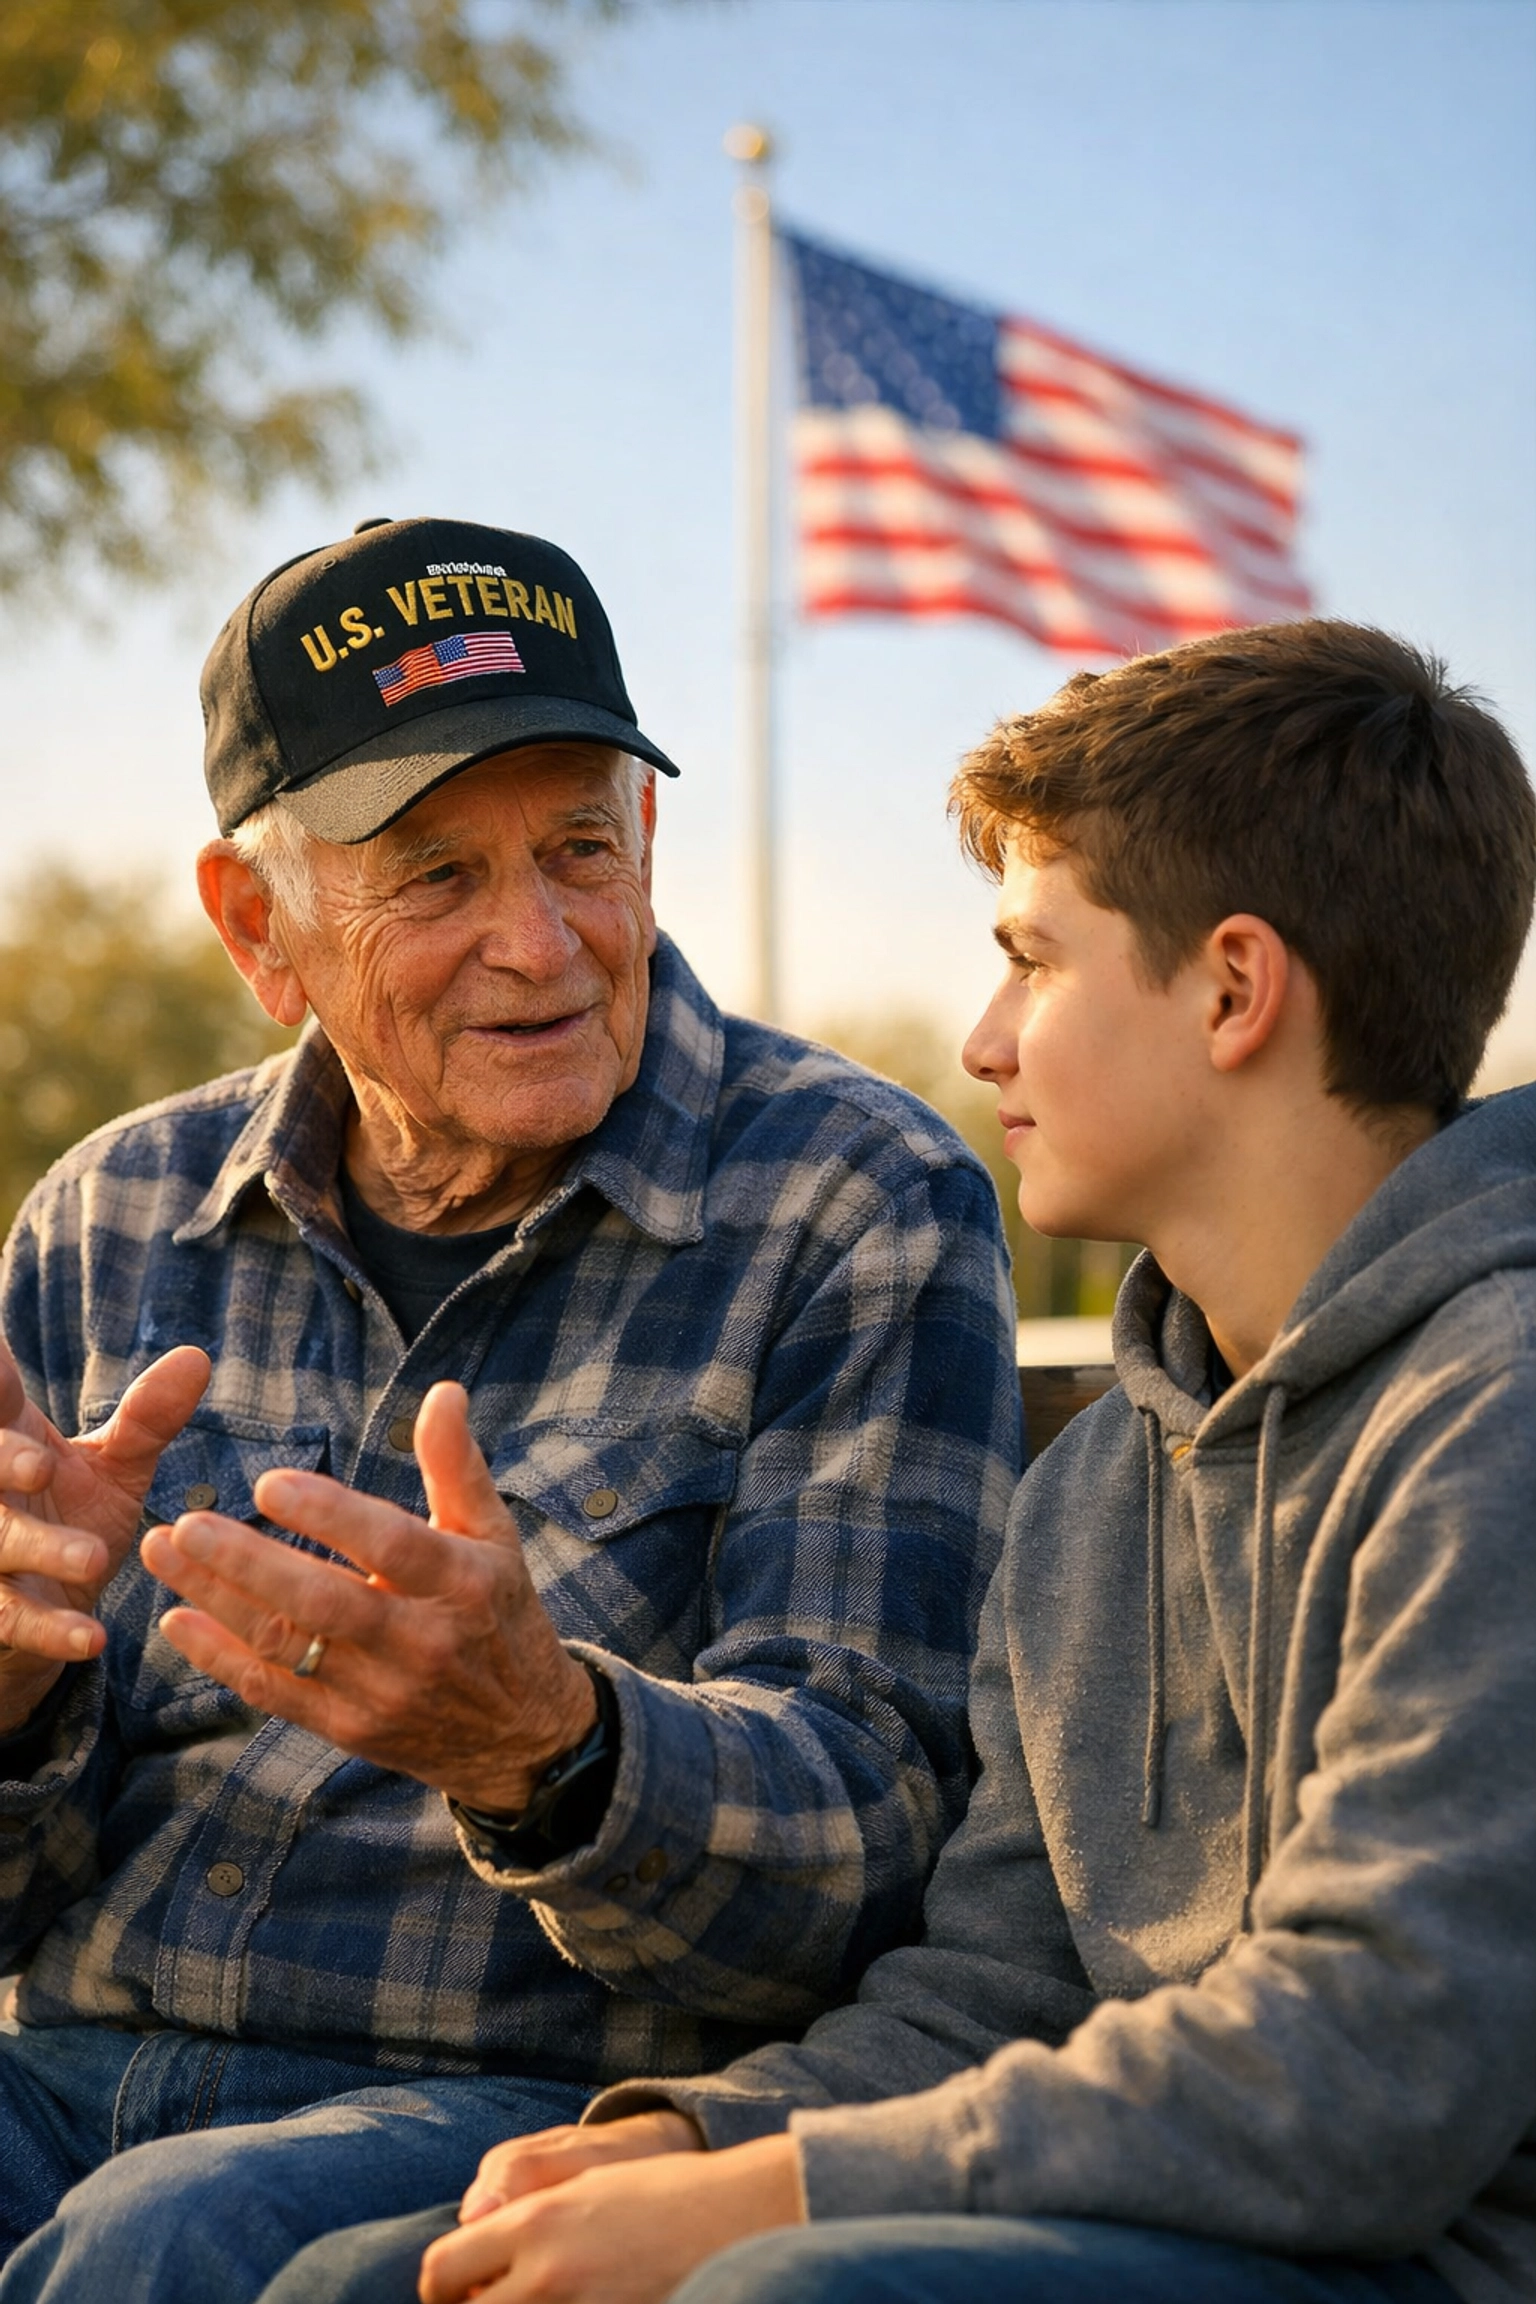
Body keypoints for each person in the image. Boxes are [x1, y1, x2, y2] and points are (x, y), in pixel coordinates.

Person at [271, 619, 1536, 2304]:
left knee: (775, 2294)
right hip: (1136, 2209)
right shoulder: (1104, 1488)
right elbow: (995, 1996)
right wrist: (699, 2142)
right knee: (378, 2279)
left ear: (1234, 988)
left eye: (1034, 959)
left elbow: (1379, 2071)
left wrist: (783, 2197)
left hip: (1433, 2258)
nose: (986, 1039)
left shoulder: (1495, 1413)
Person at [0, 516, 1023, 2303]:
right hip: (69, 2067)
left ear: (648, 842)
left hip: (516, 2111)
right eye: (436, 879)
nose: (542, 944)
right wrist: (11, 1688)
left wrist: (544, 1750)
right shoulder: (107, 1214)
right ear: (261, 923)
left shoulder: (856, 1201)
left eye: (578, 849)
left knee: (157, 2251)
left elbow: (877, 1853)